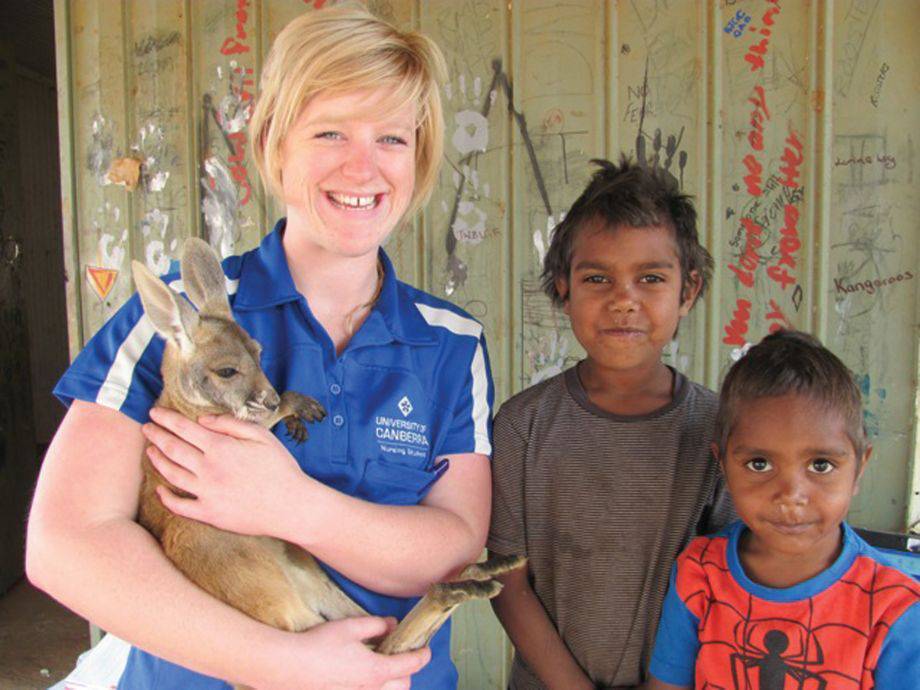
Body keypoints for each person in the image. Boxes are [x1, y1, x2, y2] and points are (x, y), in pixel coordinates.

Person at [26, 6, 494, 689]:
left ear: (419, 158)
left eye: (392, 138)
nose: (362, 167)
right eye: (330, 131)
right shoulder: (177, 321)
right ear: (275, 143)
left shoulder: (449, 342)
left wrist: (290, 505)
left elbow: (453, 546)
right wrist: (280, 664)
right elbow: (66, 544)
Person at [487, 157, 734, 689]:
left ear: (687, 292)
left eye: (650, 278)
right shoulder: (522, 428)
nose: (624, 300)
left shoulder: (720, 432)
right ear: (563, 288)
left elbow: (730, 586)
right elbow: (507, 583)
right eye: (597, 278)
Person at [645, 330, 920, 689]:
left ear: (859, 469)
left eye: (820, 465)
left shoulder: (894, 605)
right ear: (724, 466)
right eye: (759, 464)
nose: (791, 495)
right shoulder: (700, 573)